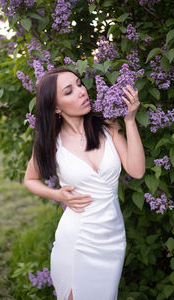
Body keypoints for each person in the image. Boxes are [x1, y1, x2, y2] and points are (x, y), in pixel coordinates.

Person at [24, 67, 145, 300]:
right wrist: (58, 195)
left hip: (112, 237)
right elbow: (30, 179)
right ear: (56, 107)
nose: (81, 92)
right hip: (76, 236)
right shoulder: (49, 142)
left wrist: (130, 120)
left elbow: (137, 171)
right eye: (69, 91)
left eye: (80, 84)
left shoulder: (108, 126)